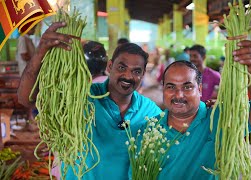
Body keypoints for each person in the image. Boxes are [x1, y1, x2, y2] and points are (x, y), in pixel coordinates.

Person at [17, 22, 162, 180]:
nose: (128, 76)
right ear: (110, 66)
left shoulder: (150, 111)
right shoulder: (80, 97)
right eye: (122, 67)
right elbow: (26, 98)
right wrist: (40, 52)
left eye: (136, 71)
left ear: (142, 75)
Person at [154, 40, 251, 179]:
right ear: (163, 89)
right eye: (171, 87)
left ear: (199, 89)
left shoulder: (220, 118)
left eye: (187, 87)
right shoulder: (151, 129)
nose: (179, 95)